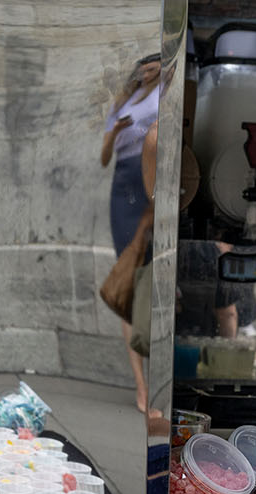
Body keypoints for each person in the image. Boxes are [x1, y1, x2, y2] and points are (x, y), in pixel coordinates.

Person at [102, 54, 161, 413]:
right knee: (129, 278)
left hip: (150, 178)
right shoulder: (123, 101)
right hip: (123, 185)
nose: (148, 71)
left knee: (154, 281)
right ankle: (141, 385)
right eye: (144, 67)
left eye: (154, 66)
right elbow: (104, 157)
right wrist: (116, 131)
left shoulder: (166, 92)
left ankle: (159, 380)